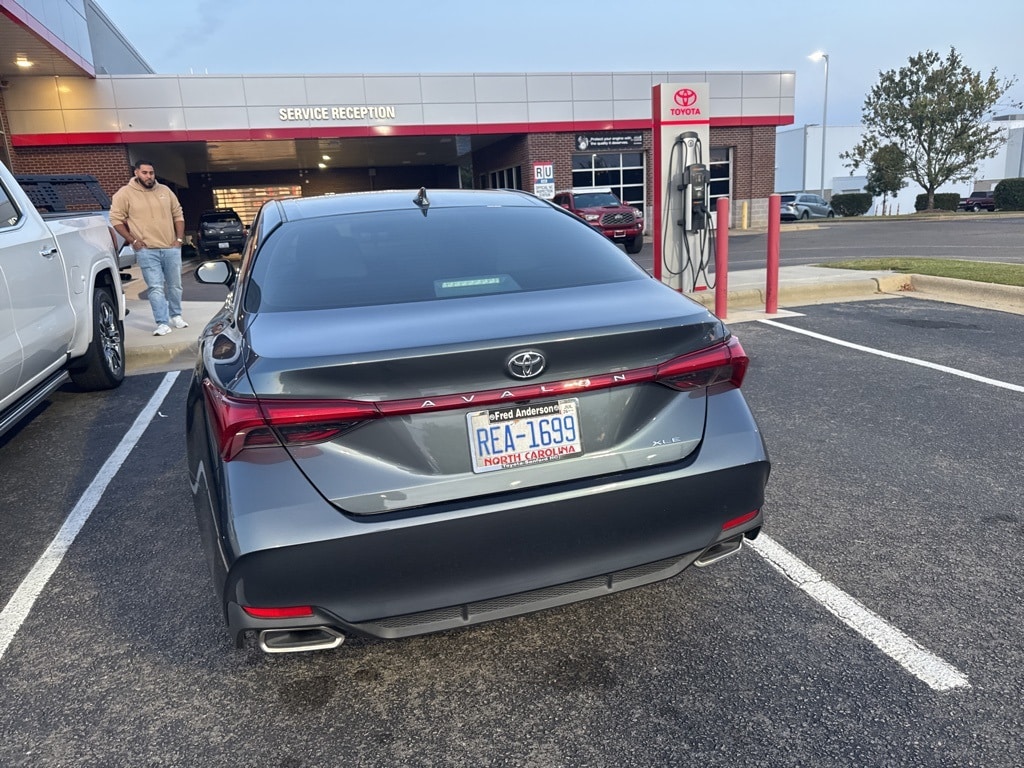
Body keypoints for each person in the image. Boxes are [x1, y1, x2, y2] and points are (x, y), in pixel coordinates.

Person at [109, 161, 188, 336]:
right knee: (155, 287)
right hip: (147, 251)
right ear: (136, 172)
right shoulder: (125, 194)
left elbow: (178, 214)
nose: (149, 176)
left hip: (170, 248)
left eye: (151, 173)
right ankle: (162, 322)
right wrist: (132, 240)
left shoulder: (165, 191)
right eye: (144, 173)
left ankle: (176, 315)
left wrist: (179, 239)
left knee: (175, 285)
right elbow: (115, 219)